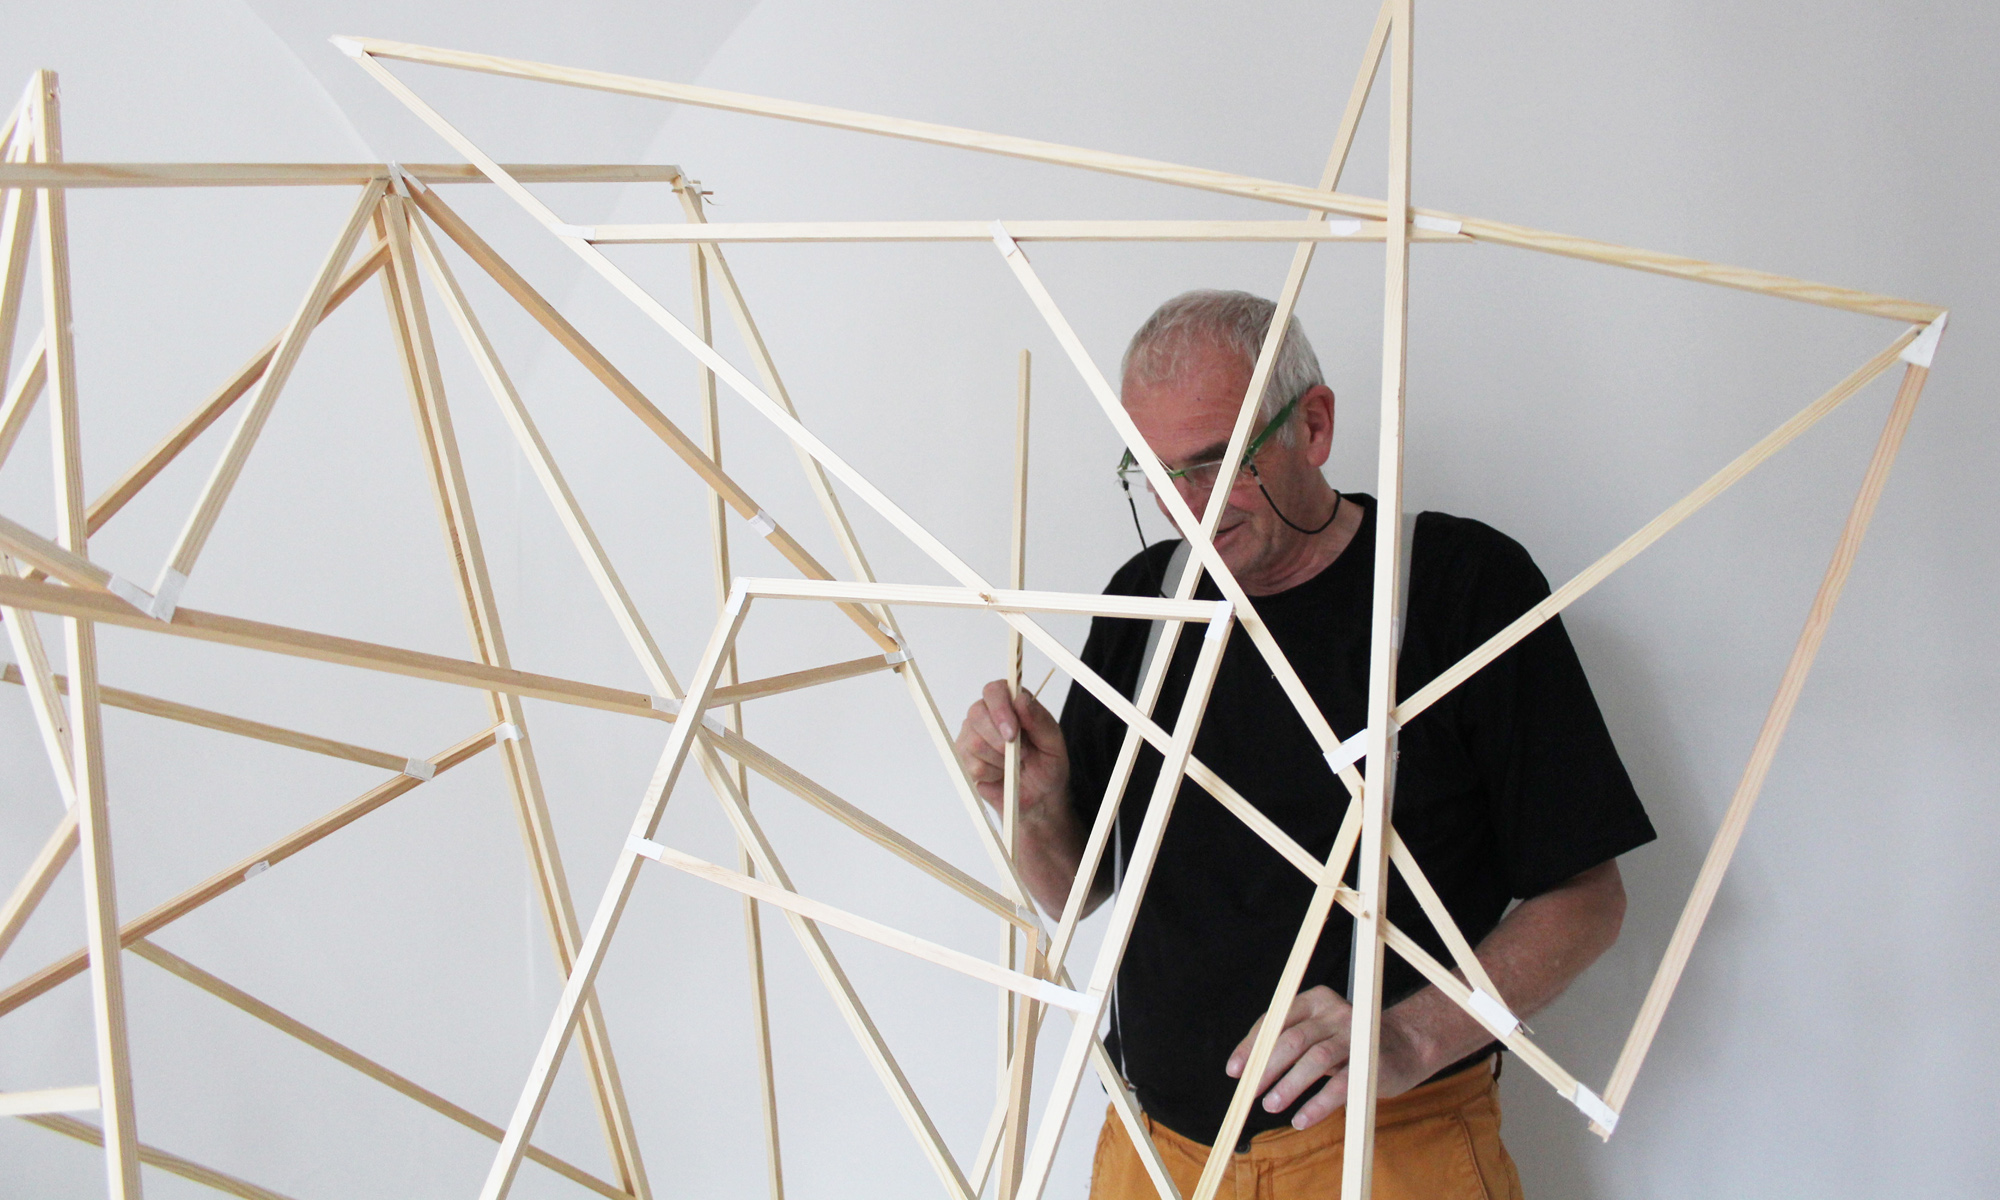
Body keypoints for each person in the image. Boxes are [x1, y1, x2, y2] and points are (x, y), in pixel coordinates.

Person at [954, 290, 1655, 1199]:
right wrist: (1033, 805)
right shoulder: (1147, 603)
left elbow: (1588, 898)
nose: (1188, 506)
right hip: (1151, 1153)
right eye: (1157, 472)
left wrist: (1412, 1035)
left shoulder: (1460, 588)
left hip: (1387, 1150)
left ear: (1313, 426)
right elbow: (1076, 891)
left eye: (1218, 462)